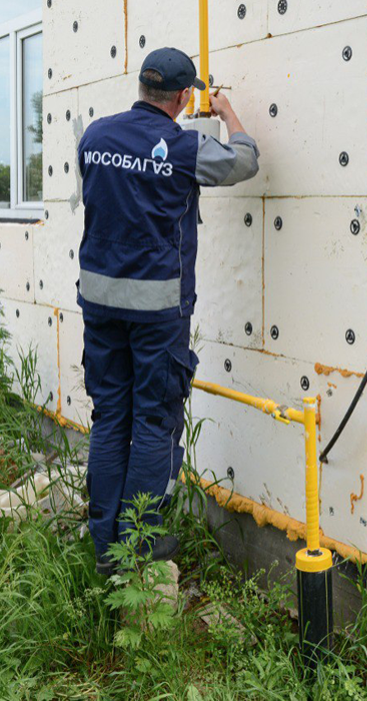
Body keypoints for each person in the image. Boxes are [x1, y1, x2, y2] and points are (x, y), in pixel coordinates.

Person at [76, 47, 260, 575]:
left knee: (111, 416)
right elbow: (244, 162)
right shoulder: (183, 146)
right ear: (183, 98)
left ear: (141, 87)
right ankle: (138, 544)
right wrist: (227, 115)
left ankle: (104, 544)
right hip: (157, 311)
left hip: (99, 302)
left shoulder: (95, 136)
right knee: (155, 422)